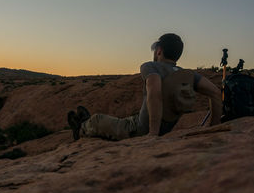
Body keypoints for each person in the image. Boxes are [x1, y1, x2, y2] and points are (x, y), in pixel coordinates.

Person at [67, 33, 222, 140]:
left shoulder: (151, 67)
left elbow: (154, 92)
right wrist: (213, 126)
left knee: (97, 119)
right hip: (162, 128)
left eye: (156, 50)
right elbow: (215, 93)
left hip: (140, 129)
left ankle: (81, 129)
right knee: (128, 118)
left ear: (159, 51)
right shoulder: (187, 75)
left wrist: (152, 134)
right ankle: (84, 121)